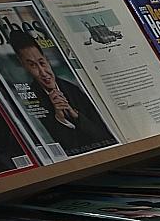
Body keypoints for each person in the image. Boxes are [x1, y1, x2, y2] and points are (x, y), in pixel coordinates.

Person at [8, 27, 116, 155]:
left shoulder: (73, 89)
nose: (43, 73)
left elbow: (106, 136)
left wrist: (76, 116)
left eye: (42, 63)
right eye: (32, 65)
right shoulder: (29, 99)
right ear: (23, 66)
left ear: (47, 60)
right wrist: (60, 119)